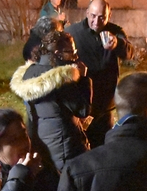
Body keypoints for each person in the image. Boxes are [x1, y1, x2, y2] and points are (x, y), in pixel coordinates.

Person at [10, 29, 92, 172]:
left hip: (41, 145)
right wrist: (84, 79)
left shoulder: (29, 73)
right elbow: (83, 109)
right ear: (57, 53)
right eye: (70, 51)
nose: (76, 56)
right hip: (66, 149)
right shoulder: (61, 78)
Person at [65, 0, 132, 147]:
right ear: (87, 13)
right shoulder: (72, 33)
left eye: (102, 17)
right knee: (81, 149)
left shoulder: (115, 32)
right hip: (81, 106)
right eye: (93, 16)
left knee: (105, 148)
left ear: (109, 15)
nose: (97, 21)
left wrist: (117, 43)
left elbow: (129, 53)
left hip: (105, 105)